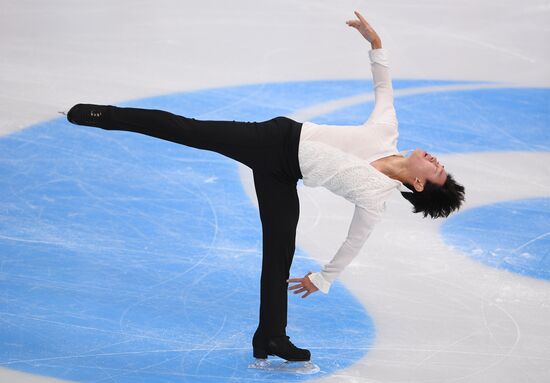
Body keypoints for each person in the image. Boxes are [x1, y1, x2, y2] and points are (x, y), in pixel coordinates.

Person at [65, 10, 465, 363]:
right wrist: (376, 43)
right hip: (274, 140)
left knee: (279, 255)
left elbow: (354, 241)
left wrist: (323, 278)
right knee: (187, 130)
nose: (435, 160)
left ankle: (270, 337)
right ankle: (104, 115)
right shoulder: (386, 130)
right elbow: (384, 87)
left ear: (417, 183)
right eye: (439, 162)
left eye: (436, 171)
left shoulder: (376, 198)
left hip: (283, 176)